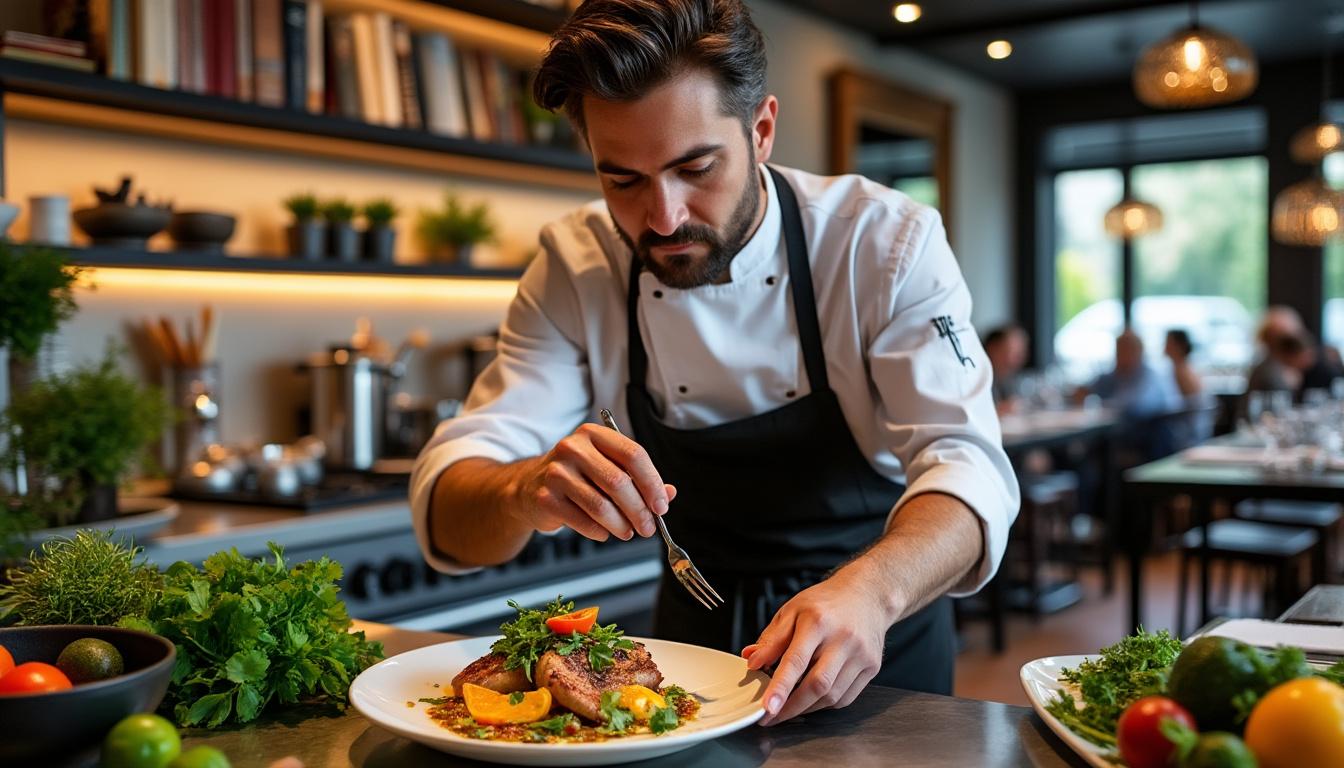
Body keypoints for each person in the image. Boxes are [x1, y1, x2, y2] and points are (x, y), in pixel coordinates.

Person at [409, 0, 1018, 725]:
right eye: (623, 180)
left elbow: (968, 467)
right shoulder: (576, 267)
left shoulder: (882, 244)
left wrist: (873, 591)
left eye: (695, 167)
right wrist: (523, 488)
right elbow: (451, 503)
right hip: (685, 655)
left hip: (877, 643)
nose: (663, 218)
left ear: (761, 130)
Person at [1076, 330, 1180, 419]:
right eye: (1118, 351)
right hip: (1120, 434)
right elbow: (1085, 390)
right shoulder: (1116, 374)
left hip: (1147, 436)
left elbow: (1137, 406)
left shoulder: (1148, 376)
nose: (1119, 355)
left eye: (1125, 350)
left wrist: (1106, 406)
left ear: (1138, 352)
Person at [983, 324, 1030, 414]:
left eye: (1021, 352)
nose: (1020, 358)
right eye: (1012, 352)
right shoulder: (976, 379)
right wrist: (998, 410)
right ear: (993, 349)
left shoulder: (1008, 379)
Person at [1163, 329, 1203, 399]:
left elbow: (1192, 401)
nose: (1165, 346)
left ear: (1180, 346)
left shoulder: (1181, 370)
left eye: (1168, 342)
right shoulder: (1184, 366)